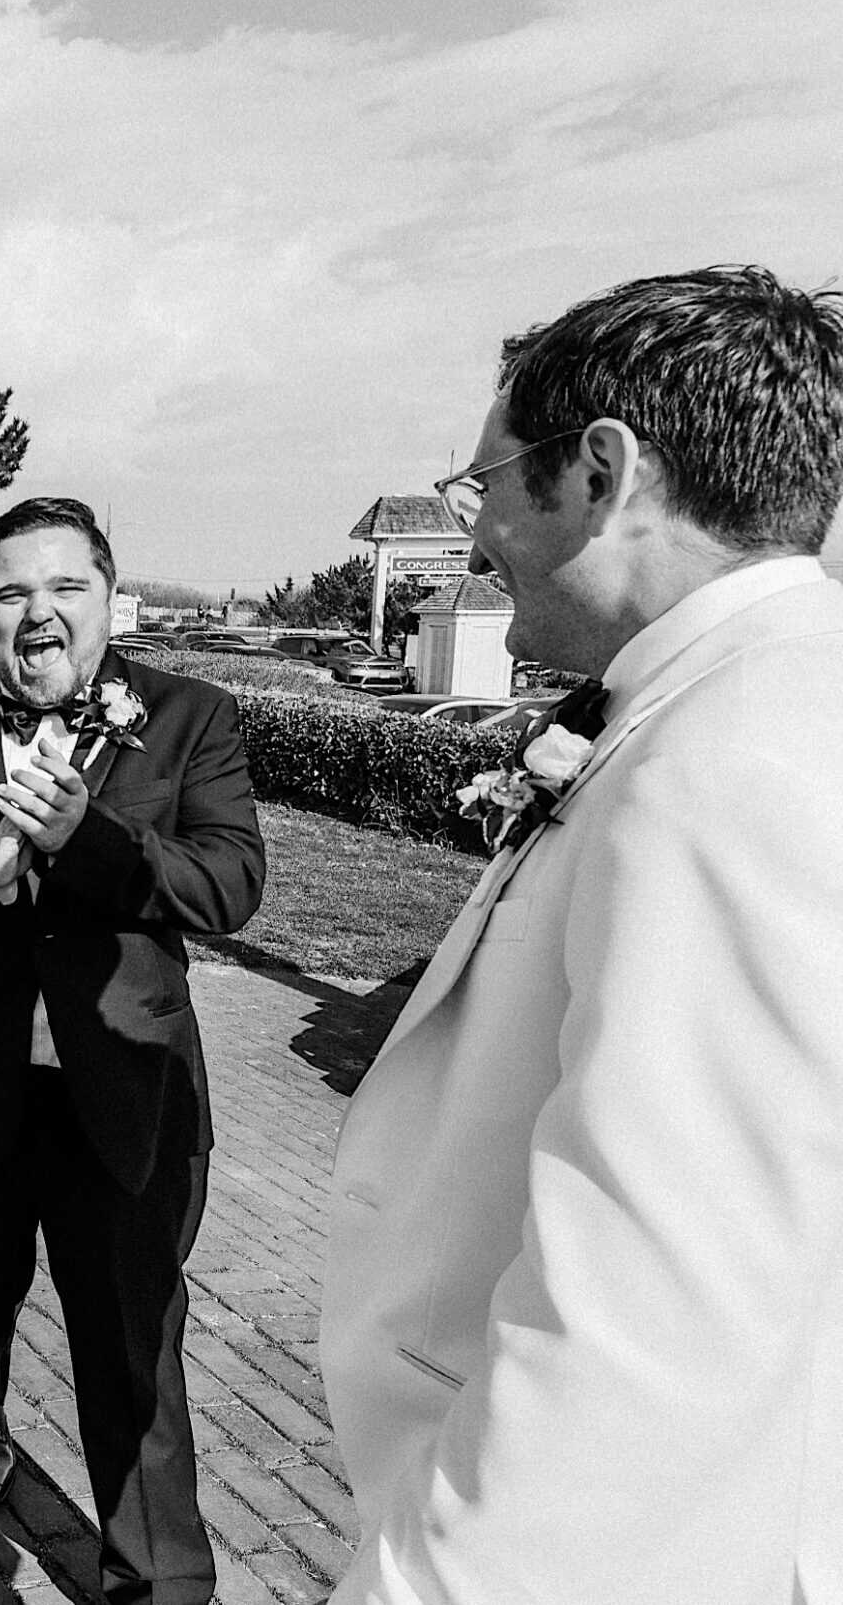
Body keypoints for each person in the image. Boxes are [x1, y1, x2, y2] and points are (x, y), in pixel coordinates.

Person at [320, 267, 843, 1603]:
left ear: (601, 472)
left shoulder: (732, 757)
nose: (477, 522)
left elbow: (657, 1313)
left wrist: (425, 1581)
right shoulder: (738, 693)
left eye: (488, 479)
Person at [0, 497, 263, 1605]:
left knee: (133, 1363)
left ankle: (158, 1585)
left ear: (108, 599)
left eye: (65, 588)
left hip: (120, 1098)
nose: (38, 613)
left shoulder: (188, 716)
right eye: (10, 591)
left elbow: (227, 884)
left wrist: (92, 843)